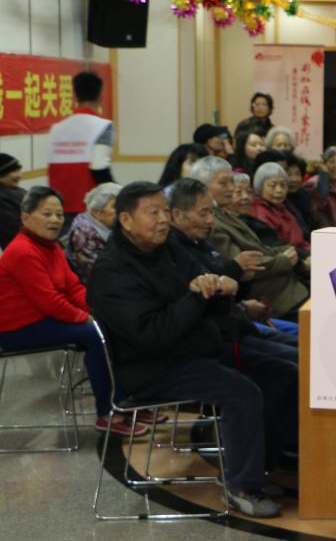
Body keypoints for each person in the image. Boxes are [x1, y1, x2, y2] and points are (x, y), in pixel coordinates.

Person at [87, 181, 286, 517]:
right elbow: (153, 336)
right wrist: (198, 295)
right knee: (242, 393)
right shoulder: (112, 271)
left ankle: (263, 466)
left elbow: (202, 282)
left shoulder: (166, 248)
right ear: (126, 220)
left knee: (282, 373)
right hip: (152, 368)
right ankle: (242, 487)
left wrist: (220, 285)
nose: (164, 220)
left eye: (165, 211)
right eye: (153, 213)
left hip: (193, 347)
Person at [0, 186, 146, 437]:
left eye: (59, 214)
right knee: (94, 334)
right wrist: (84, 317)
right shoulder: (22, 251)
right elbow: (49, 301)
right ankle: (107, 414)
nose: (55, 220)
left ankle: (127, 401)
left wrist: (97, 310)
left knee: (112, 324)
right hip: (18, 328)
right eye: (47, 214)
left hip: (45, 319)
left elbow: (74, 287)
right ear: (26, 217)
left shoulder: (51, 247)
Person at [191, 157, 310, 317]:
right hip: (272, 294)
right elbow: (245, 265)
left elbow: (260, 247)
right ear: (203, 186)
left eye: (231, 182)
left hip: (289, 283)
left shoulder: (226, 214)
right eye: (223, 183)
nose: (231, 188)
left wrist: (290, 252)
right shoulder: (212, 223)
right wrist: (284, 260)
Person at [47, 71, 113, 220]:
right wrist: (118, 195)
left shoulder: (56, 129)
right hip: (90, 210)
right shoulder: (103, 126)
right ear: (100, 97)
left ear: (75, 96)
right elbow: (100, 168)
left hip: (58, 209)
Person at [63, 182, 120, 282]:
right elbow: (99, 273)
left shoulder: (107, 223)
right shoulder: (84, 233)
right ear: (96, 212)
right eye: (115, 206)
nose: (121, 210)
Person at [251, 163, 309, 252]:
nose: (279, 190)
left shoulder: (282, 208)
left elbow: (301, 242)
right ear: (260, 187)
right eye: (272, 186)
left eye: (283, 185)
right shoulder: (260, 212)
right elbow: (277, 247)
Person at [0, 153, 26, 249]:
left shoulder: (18, 191)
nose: (19, 175)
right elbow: (15, 231)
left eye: (19, 170)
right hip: (22, 250)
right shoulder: (2, 201)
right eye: (14, 171)